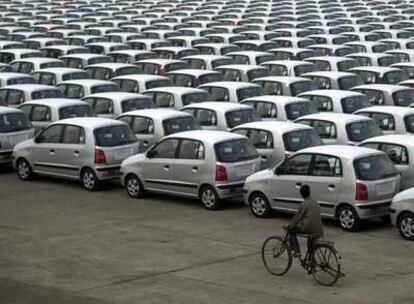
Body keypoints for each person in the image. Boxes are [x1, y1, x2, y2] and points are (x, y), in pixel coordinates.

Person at [286, 185, 324, 257]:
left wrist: (290, 225)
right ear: (309, 192)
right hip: (319, 229)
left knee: (291, 231)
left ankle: (297, 251)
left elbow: (297, 218)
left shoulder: (304, 204)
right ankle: (312, 262)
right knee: (310, 244)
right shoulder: (315, 202)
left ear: (301, 194)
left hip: (308, 228)